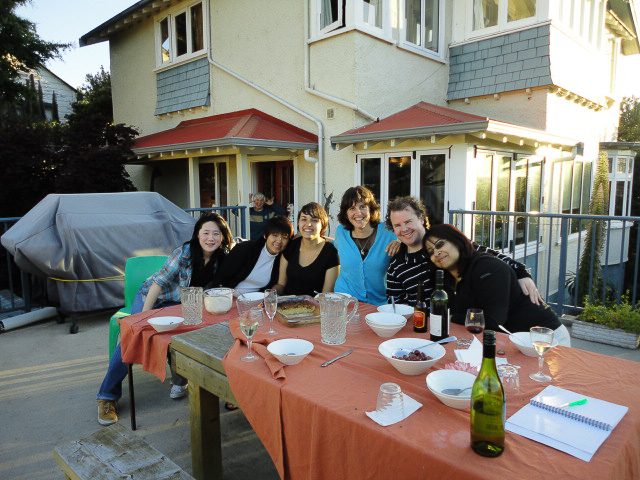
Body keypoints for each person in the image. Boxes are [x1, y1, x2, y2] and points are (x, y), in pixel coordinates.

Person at [96, 213, 233, 426]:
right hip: (153, 296)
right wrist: (142, 317)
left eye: (216, 233)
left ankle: (180, 380)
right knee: (132, 337)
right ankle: (107, 396)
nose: (210, 238)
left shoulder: (222, 259)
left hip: (180, 304)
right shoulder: (184, 253)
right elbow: (157, 283)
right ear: (198, 234)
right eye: (206, 233)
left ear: (223, 237)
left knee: (187, 334)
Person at [424, 223, 570, 344]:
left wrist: (450, 317)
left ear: (457, 241)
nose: (436, 253)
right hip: (513, 341)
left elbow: (493, 320)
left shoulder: (487, 267)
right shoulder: (449, 280)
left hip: (545, 338)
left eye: (440, 244)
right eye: (430, 252)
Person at [385, 196, 542, 307]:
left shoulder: (446, 242)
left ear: (421, 218)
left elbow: (495, 258)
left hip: (466, 321)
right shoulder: (397, 263)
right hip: (424, 326)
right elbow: (394, 303)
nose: (404, 229)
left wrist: (522, 275)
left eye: (408, 221)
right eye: (397, 225)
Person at [333, 186, 400, 305]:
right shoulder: (340, 232)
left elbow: (411, 240)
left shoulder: (388, 232)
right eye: (352, 208)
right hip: (345, 301)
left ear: (371, 209)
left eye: (362, 207)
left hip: (379, 303)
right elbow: (331, 243)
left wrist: (401, 243)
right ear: (346, 213)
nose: (358, 213)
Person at [215, 216, 294, 294]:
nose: (279, 241)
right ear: (265, 235)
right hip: (229, 297)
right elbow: (221, 277)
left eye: (284, 237)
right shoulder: (245, 249)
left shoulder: (282, 259)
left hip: (256, 302)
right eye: (275, 235)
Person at [274, 202, 340, 296]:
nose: (308, 224)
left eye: (314, 220)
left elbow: (326, 295)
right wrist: (270, 296)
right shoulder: (291, 246)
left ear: (323, 224)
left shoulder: (331, 253)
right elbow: (281, 284)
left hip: (315, 306)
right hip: (286, 304)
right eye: (304, 219)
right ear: (298, 223)